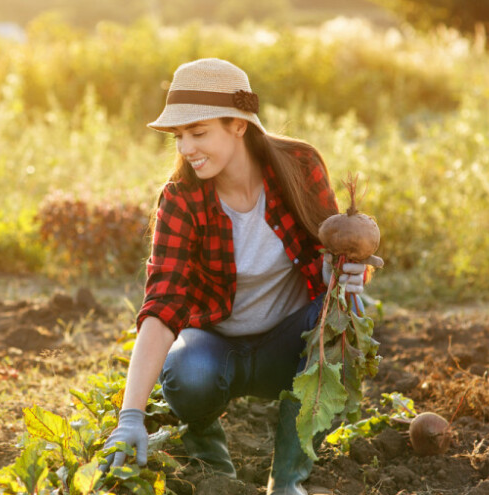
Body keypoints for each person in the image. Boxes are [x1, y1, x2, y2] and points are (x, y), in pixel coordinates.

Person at [102, 58, 380, 495]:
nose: (185, 149)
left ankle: (288, 479)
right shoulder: (181, 199)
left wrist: (349, 272)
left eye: (198, 133)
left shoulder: (298, 166)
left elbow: (333, 254)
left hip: (289, 342)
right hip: (217, 346)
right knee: (187, 372)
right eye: (179, 137)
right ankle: (213, 465)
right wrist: (130, 417)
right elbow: (161, 307)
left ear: (238, 124)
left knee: (340, 336)